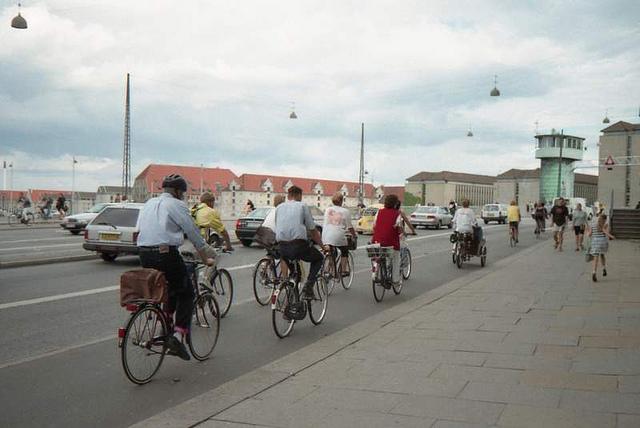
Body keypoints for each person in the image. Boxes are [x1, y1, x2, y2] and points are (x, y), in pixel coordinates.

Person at [136, 174, 215, 361]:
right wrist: (205, 259)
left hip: (143, 253)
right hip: (165, 253)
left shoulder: (148, 203)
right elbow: (193, 233)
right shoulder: (177, 205)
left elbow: (139, 229)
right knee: (187, 293)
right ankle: (178, 335)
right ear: (178, 191)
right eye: (183, 193)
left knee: (169, 289)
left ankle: (165, 323)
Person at [275, 185, 323, 299]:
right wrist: (322, 245)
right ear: (298, 195)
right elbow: (312, 230)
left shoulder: (279, 207)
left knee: (295, 274)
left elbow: (279, 226)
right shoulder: (302, 206)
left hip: (282, 247)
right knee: (319, 258)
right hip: (298, 246)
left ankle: (293, 300)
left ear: (288, 195)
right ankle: (309, 286)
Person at [372, 194, 405, 286]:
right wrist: (401, 233)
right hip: (391, 243)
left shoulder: (379, 212)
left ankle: (377, 272)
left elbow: (374, 225)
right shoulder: (397, 214)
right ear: (395, 204)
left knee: (378, 254)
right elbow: (399, 228)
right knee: (396, 258)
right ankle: (395, 280)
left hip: (376, 241)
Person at [322, 192, 356, 276]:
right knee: (344, 250)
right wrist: (354, 235)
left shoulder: (327, 209)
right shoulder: (345, 211)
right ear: (342, 201)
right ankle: (343, 270)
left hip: (325, 235)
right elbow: (350, 227)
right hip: (338, 236)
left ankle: (330, 270)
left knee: (331, 250)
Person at [587, 213, 615, 282]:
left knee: (596, 258)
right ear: (605, 219)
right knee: (602, 255)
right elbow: (605, 232)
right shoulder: (605, 225)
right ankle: (604, 268)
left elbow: (589, 234)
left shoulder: (593, 225)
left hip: (595, 242)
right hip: (602, 242)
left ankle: (594, 272)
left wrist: (588, 233)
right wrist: (611, 236)